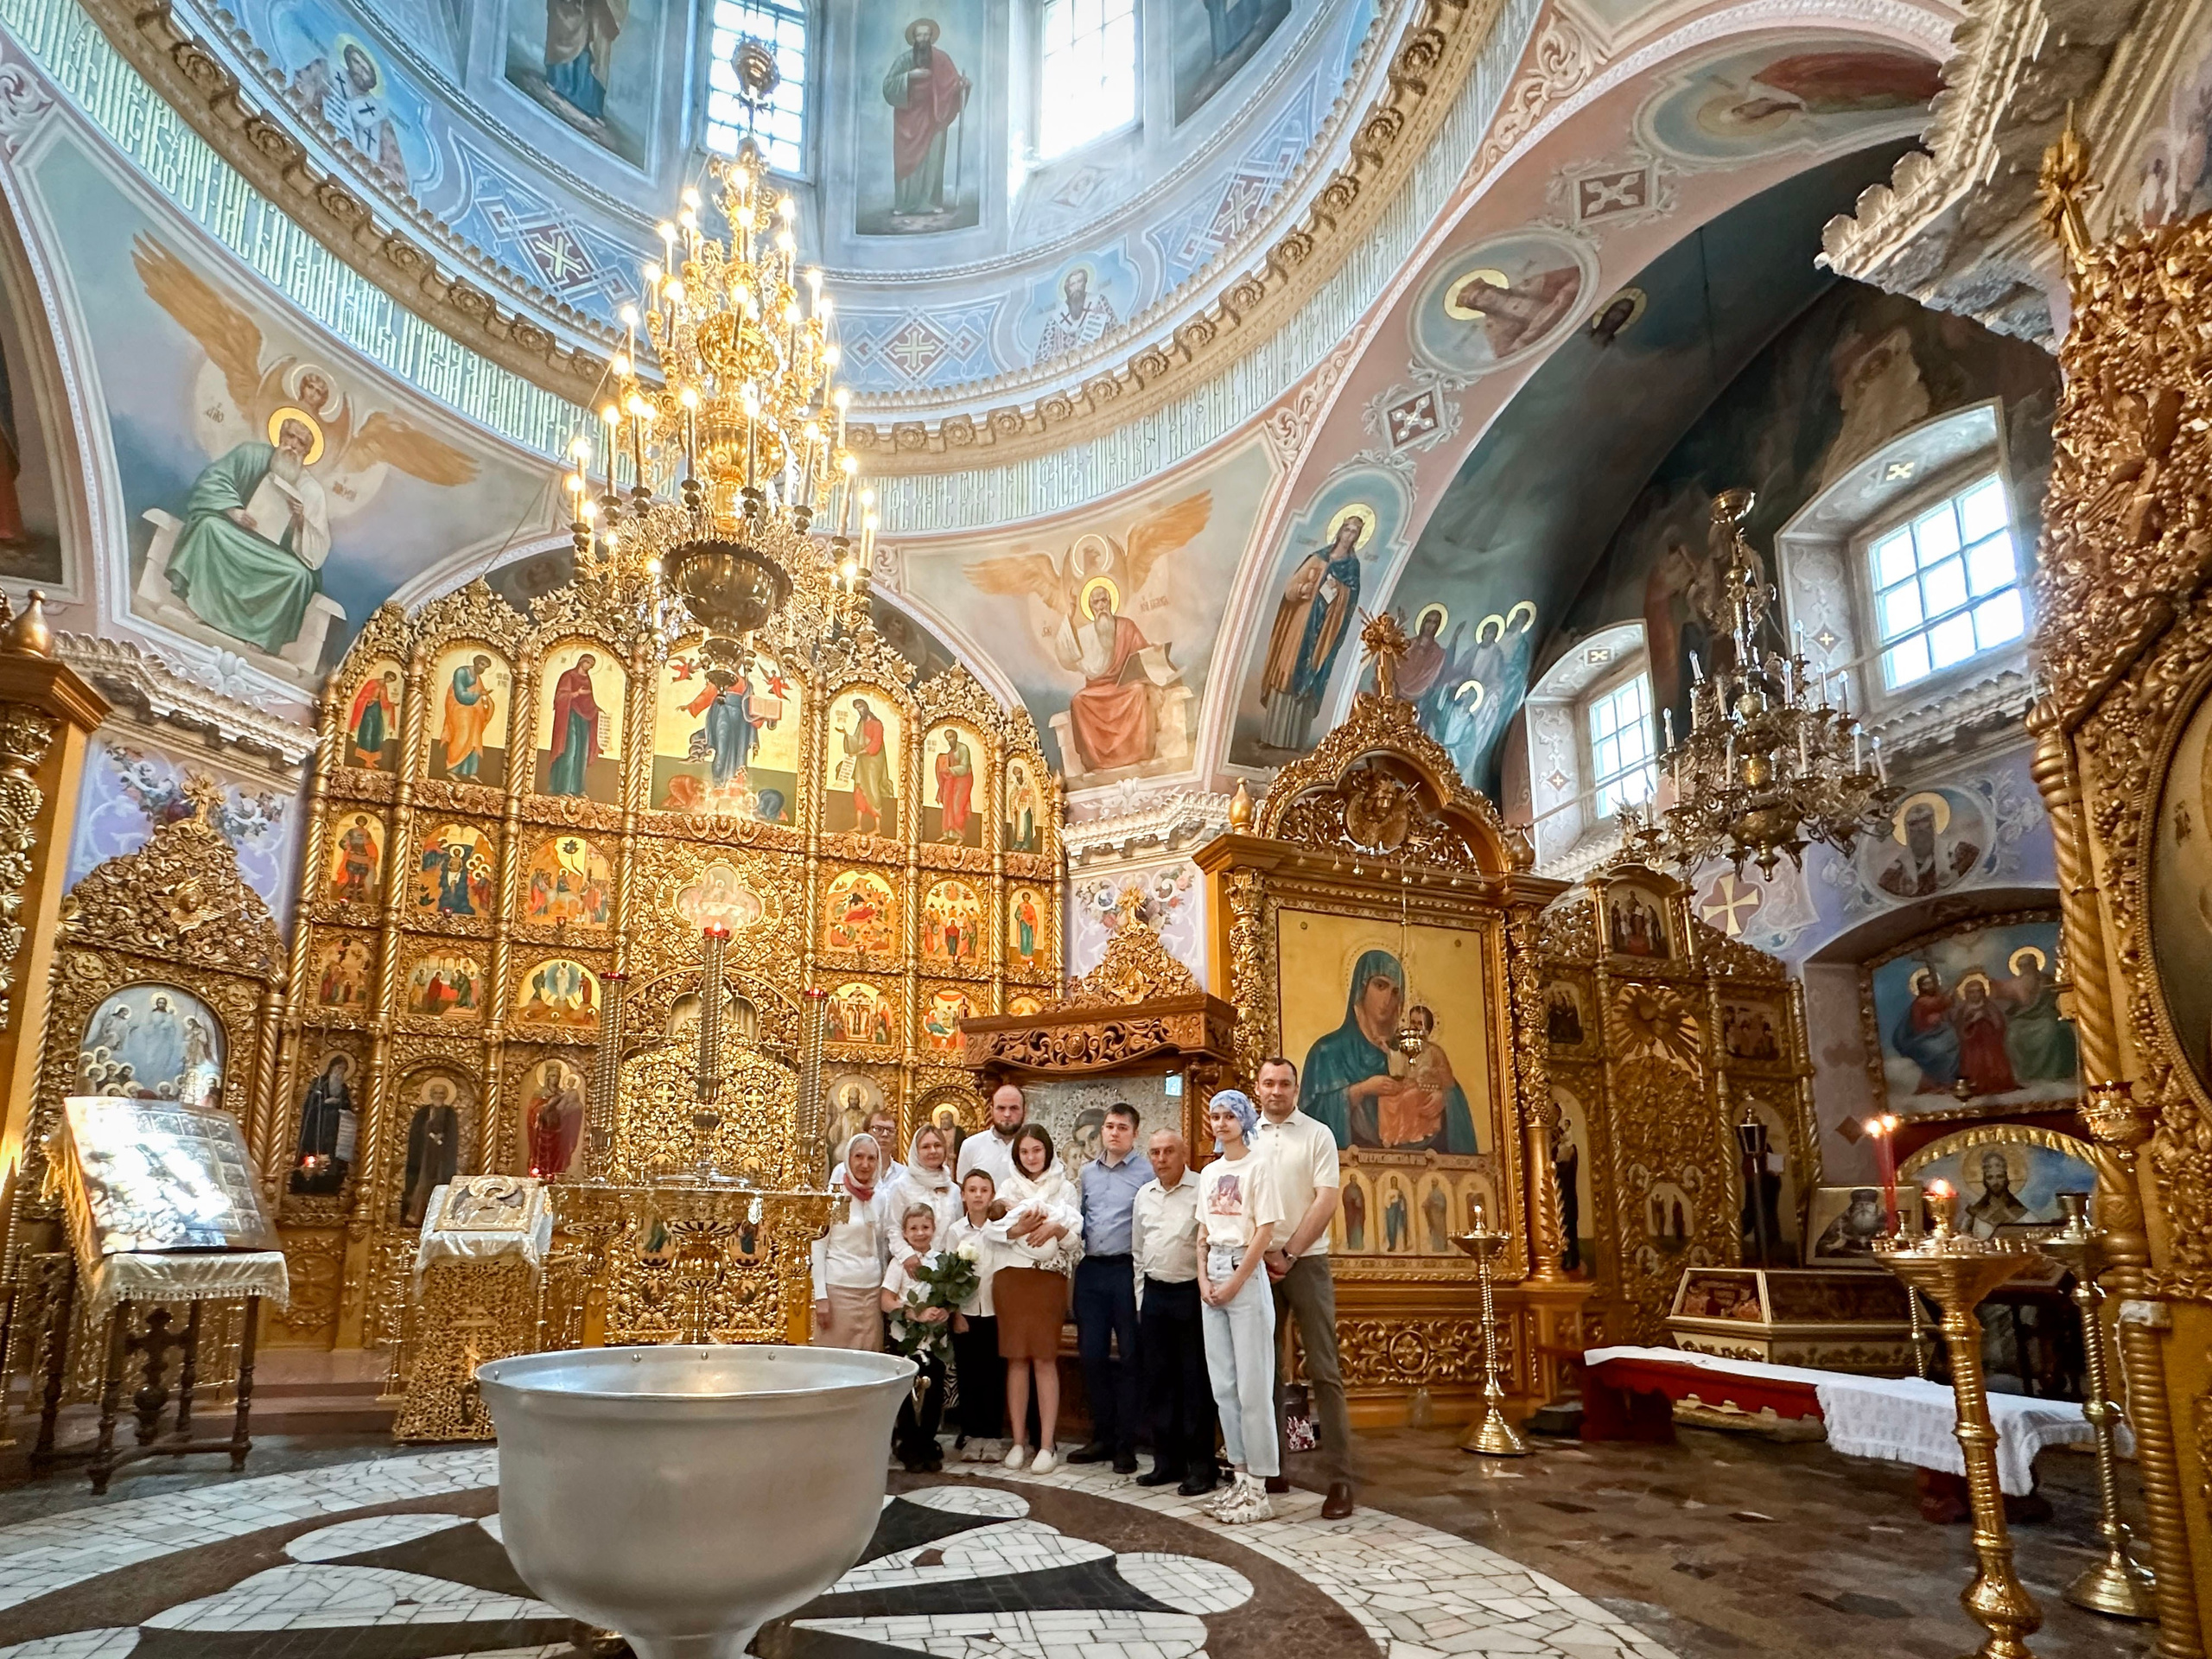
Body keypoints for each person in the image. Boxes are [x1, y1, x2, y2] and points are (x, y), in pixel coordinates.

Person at [1254, 1055, 1356, 1518]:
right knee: (1264, 1370)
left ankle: (1341, 1480)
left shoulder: (1317, 1133)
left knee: (1325, 1370)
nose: (1276, 1091)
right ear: (1257, 1088)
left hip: (1306, 1261)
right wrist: (1258, 1255)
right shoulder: (1244, 1136)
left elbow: (1327, 1199)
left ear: (1296, 1089)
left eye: (1285, 1084)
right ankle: (1272, 1467)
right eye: (1268, 1083)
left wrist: (1289, 1251)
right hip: (1256, 1265)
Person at [163, 416, 329, 655]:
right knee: (209, 527)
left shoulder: (312, 490)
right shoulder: (251, 454)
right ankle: (202, 607)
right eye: (290, 436)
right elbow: (214, 479)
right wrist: (234, 511)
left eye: (301, 443)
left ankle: (260, 634)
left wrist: (301, 520)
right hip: (235, 534)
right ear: (280, 436)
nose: (293, 445)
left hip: (274, 554)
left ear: (307, 451)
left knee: (299, 577)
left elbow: (318, 551)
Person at [1196, 1090, 1285, 1525]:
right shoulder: (1210, 1172)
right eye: (1215, 1115)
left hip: (1243, 1273)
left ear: (1244, 1120)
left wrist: (1233, 1281)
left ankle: (1260, 1489)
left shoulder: (1258, 1166)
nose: (1222, 1122)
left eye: (1230, 1115)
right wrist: (1203, 1279)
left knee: (1253, 1388)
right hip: (1212, 1272)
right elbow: (1201, 1233)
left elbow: (1264, 1232)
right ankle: (1239, 1476)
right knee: (1224, 1387)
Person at [988, 1123, 1082, 1473]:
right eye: (1024, 1152)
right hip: (1012, 1279)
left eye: (1036, 1151)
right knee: (1016, 1359)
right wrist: (1020, 1229)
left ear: (1047, 1151)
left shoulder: (1066, 1188)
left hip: (1047, 1281)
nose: (1030, 1157)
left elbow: (1076, 1243)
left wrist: (1057, 1229)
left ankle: (1047, 1445)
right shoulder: (1007, 1187)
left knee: (1044, 1360)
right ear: (1017, 1155)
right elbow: (993, 1231)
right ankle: (1017, 1442)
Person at [1131, 1127, 1218, 1497]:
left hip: (1191, 1296)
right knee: (1158, 1382)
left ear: (1184, 1155)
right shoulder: (1143, 1196)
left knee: (1195, 1384)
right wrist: (1141, 1299)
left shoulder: (1203, 1189)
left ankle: (1201, 1468)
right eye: (1155, 1153)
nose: (1161, 1159)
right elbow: (1138, 1250)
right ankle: (1166, 1462)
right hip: (1154, 1296)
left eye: (1168, 1152)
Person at [1071, 1103, 1148, 1473]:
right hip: (1092, 1271)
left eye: (1122, 1127)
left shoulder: (1147, 1172)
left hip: (1127, 1271)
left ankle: (1126, 1444)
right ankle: (1101, 1436)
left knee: (1132, 1358)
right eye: (1109, 1126)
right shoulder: (1087, 1173)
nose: (1113, 1133)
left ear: (1134, 1134)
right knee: (1092, 1355)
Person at [882, 1202, 951, 1471]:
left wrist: (945, 1310)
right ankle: (908, 1443)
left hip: (935, 1342)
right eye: (914, 1228)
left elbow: (949, 1297)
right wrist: (913, 1313)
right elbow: (886, 1300)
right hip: (907, 1340)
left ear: (934, 1229)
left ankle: (927, 1442)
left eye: (925, 1227)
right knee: (907, 1395)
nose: (920, 1233)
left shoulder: (942, 1262)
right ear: (905, 1232)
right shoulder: (900, 1264)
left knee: (933, 1393)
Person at [947, 1168, 1007, 1462]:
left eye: (984, 1190)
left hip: (996, 1313)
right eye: (972, 1190)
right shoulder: (956, 1231)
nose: (978, 1195)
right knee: (970, 1376)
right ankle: (972, 1435)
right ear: (963, 1195)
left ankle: (993, 1436)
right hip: (967, 1313)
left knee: (995, 1376)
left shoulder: (1001, 1230)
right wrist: (955, 1314)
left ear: (992, 1195)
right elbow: (949, 1276)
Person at [810, 1133, 891, 1351]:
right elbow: (817, 1248)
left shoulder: (880, 1197)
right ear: (848, 1159)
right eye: (859, 1157)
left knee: (869, 1362)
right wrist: (821, 1297)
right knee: (835, 1362)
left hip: (872, 1293)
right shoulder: (833, 1197)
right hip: (838, 1292)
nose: (865, 1164)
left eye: (872, 1158)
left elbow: (883, 1246)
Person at [887, 1123, 959, 1239]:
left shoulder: (953, 1189)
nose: (933, 1151)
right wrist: (909, 1256)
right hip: (911, 1256)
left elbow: (957, 1230)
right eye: (926, 1147)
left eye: (938, 1145)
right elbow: (893, 1229)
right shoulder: (901, 1186)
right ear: (916, 1151)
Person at [957, 1082, 1026, 1188]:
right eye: (1001, 1108)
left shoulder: (1036, 1147)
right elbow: (964, 1190)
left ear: (1025, 1111)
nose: (1007, 1114)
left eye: (1014, 1108)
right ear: (991, 1110)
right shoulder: (970, 1145)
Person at [833, 1108, 907, 1191]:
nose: (885, 1134)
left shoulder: (904, 1174)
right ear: (865, 1133)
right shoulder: (842, 1171)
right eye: (878, 1129)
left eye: (890, 1130)